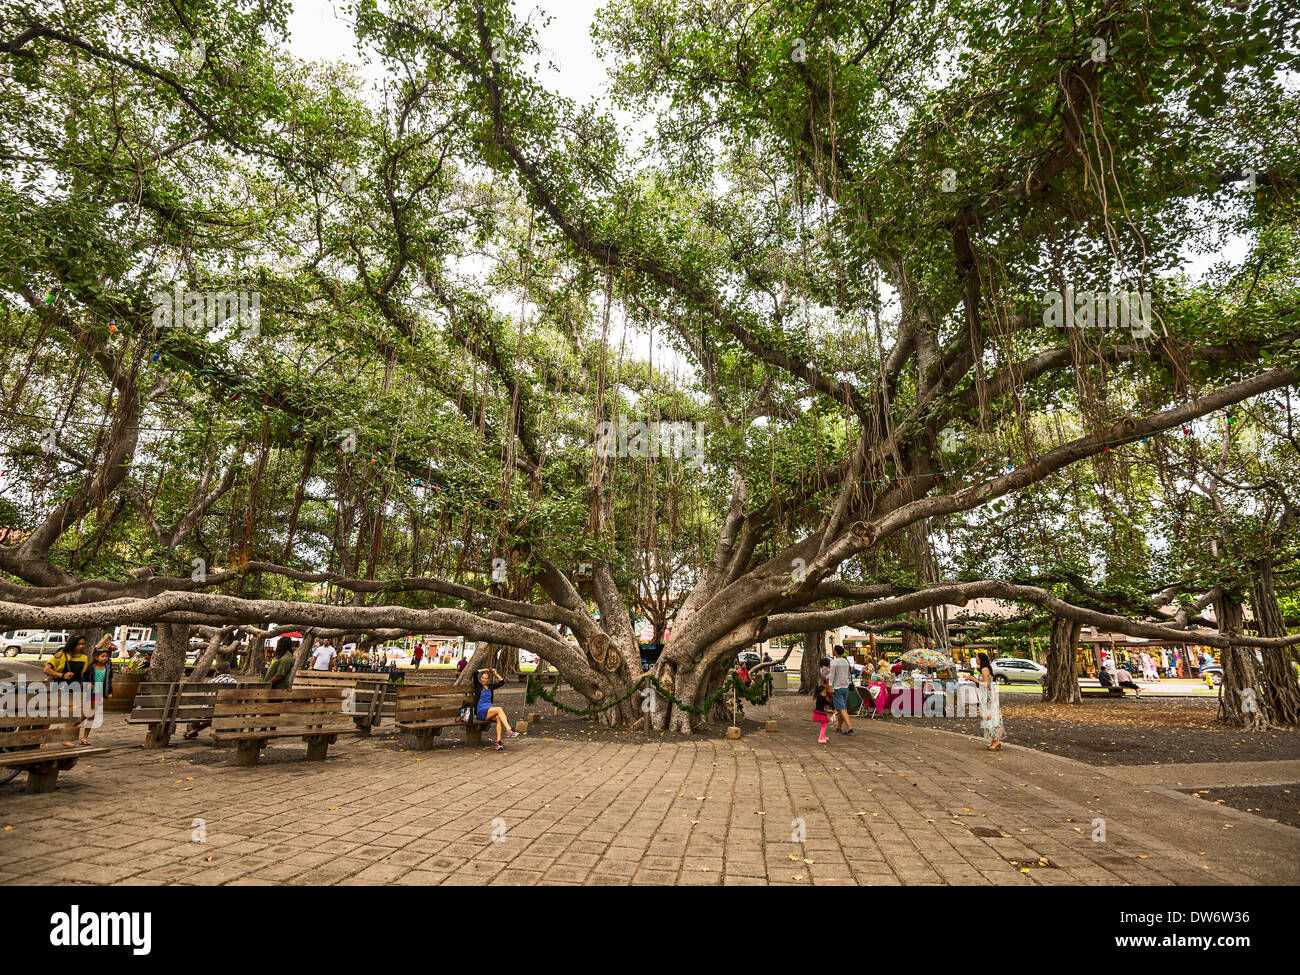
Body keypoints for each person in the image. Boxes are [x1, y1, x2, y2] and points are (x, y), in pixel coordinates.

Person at [183, 659, 240, 739]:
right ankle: (192, 730)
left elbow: (205, 701)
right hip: (228, 713)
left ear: (216, 671)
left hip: (210, 712)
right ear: (229, 670)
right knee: (209, 716)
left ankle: (191, 728)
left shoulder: (211, 682)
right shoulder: (235, 683)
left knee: (200, 714)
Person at [474, 668, 518, 751]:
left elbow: (502, 682)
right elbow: (474, 673)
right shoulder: (478, 686)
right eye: (482, 678)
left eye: (486, 678)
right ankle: (509, 730)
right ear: (480, 678)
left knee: (499, 718)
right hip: (481, 711)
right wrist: (484, 669)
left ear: (489, 679)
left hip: (490, 710)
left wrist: (495, 673)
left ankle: (498, 743)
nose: (483, 679)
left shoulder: (490, 686)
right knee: (499, 709)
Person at [82, 644, 113, 745]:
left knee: (91, 716)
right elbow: (83, 679)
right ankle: (71, 728)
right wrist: (87, 685)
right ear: (96, 657)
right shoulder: (91, 668)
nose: (105, 658)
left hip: (98, 694)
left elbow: (109, 681)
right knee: (84, 714)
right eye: (102, 656)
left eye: (106, 656)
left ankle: (84, 737)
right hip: (88, 693)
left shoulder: (108, 668)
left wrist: (109, 692)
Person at [976, 652, 1004, 751]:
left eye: (977, 658)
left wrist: (974, 680)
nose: (976, 660)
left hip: (988, 696)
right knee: (991, 716)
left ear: (981, 659)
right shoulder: (986, 669)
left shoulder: (984, 669)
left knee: (990, 717)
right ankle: (994, 740)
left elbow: (986, 684)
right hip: (989, 695)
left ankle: (996, 740)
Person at [829, 645, 854, 734]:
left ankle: (849, 726)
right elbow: (848, 674)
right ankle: (839, 726)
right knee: (840, 708)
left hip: (838, 687)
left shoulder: (834, 662)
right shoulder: (846, 661)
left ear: (835, 651)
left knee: (842, 708)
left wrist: (829, 686)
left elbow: (831, 675)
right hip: (845, 687)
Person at [813, 679, 833, 743]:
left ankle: (823, 736)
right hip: (821, 713)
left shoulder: (818, 697)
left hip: (818, 712)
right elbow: (828, 703)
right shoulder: (822, 698)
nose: (825, 694)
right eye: (824, 693)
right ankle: (820, 738)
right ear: (820, 693)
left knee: (823, 725)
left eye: (825, 693)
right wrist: (833, 707)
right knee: (823, 726)